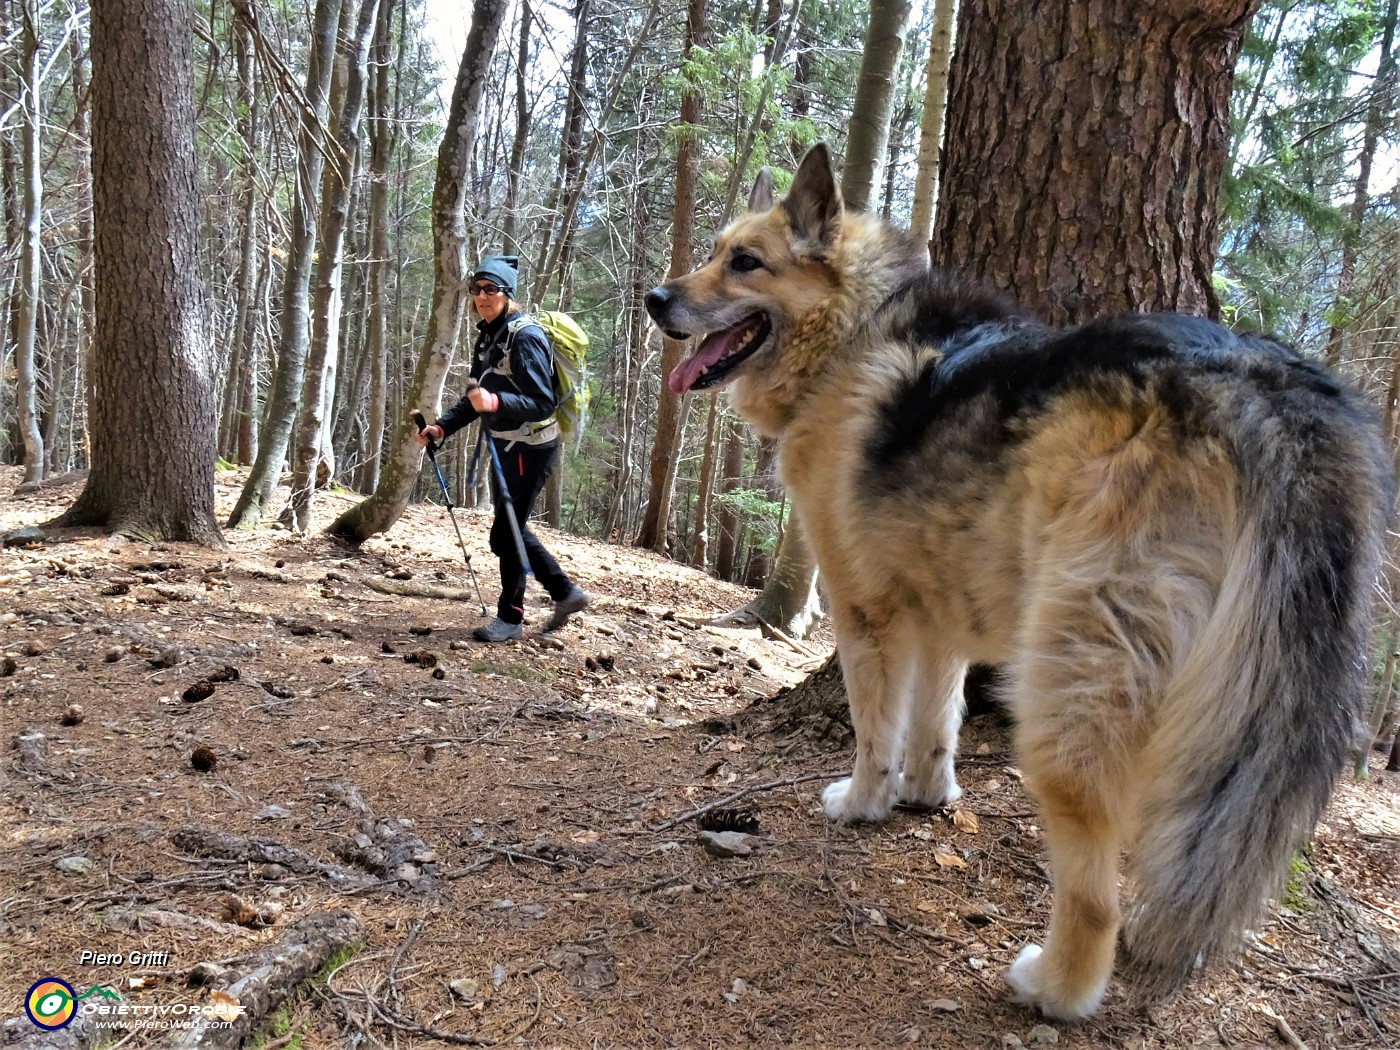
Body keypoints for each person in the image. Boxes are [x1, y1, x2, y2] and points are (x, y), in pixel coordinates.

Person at [416, 255, 591, 642]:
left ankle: (534, 606)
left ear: (507, 293)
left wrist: (495, 405)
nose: (481, 296)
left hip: (531, 449)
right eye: (475, 289)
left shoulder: (524, 336)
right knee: (509, 531)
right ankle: (552, 599)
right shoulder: (489, 333)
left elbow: (541, 402)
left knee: (506, 534)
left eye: (490, 289)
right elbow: (475, 396)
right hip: (505, 448)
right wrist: (441, 428)